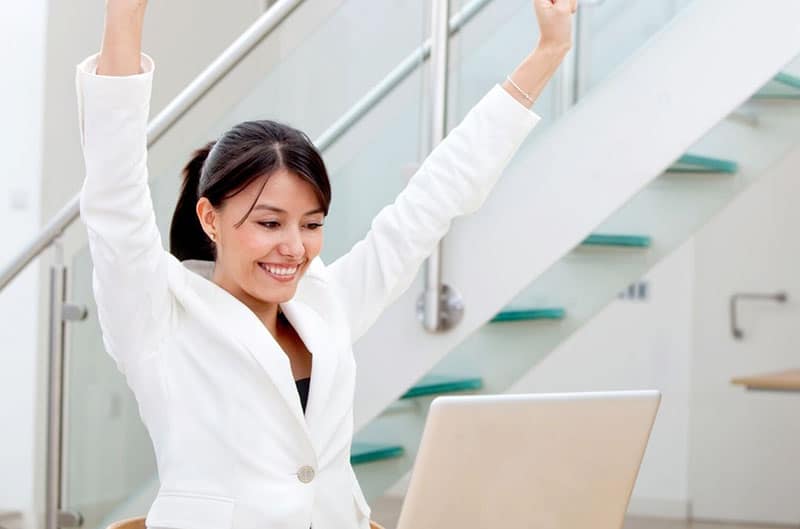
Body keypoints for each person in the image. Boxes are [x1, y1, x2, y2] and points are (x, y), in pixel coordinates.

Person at [77, 1, 575, 528]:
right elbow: (113, 195)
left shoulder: (324, 302)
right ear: (211, 218)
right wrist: (125, 14)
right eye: (269, 224)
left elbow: (433, 199)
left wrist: (549, 51)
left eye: (311, 224)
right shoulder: (156, 313)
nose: (294, 247)